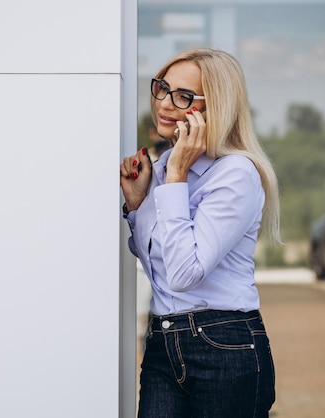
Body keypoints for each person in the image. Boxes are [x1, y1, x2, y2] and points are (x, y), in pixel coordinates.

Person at [120, 48, 280, 418]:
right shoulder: (162, 170)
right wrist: (137, 204)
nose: (164, 103)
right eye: (162, 88)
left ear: (215, 109)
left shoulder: (235, 174)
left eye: (184, 97)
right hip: (163, 340)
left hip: (224, 345)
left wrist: (175, 178)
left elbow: (182, 273)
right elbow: (158, 267)